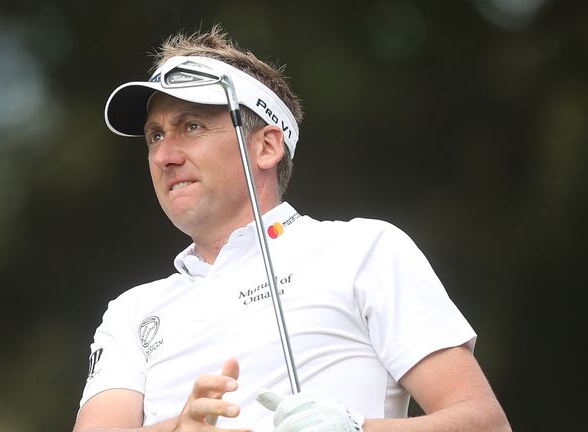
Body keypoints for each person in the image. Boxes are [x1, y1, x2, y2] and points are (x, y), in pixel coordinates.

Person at [73, 25, 511, 432]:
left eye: (191, 126)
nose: (165, 155)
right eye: (155, 136)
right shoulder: (131, 311)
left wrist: (355, 429)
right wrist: (178, 427)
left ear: (266, 146)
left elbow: (487, 423)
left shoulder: (364, 249)